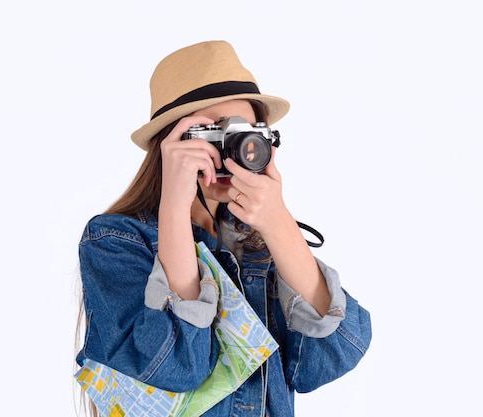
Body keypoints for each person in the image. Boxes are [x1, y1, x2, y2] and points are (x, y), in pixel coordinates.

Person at [75, 40, 372, 417]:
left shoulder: (259, 244)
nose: (232, 147)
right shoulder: (115, 240)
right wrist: (173, 208)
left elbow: (334, 356)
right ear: (169, 145)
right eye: (211, 133)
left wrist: (276, 220)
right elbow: (175, 368)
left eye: (243, 131)